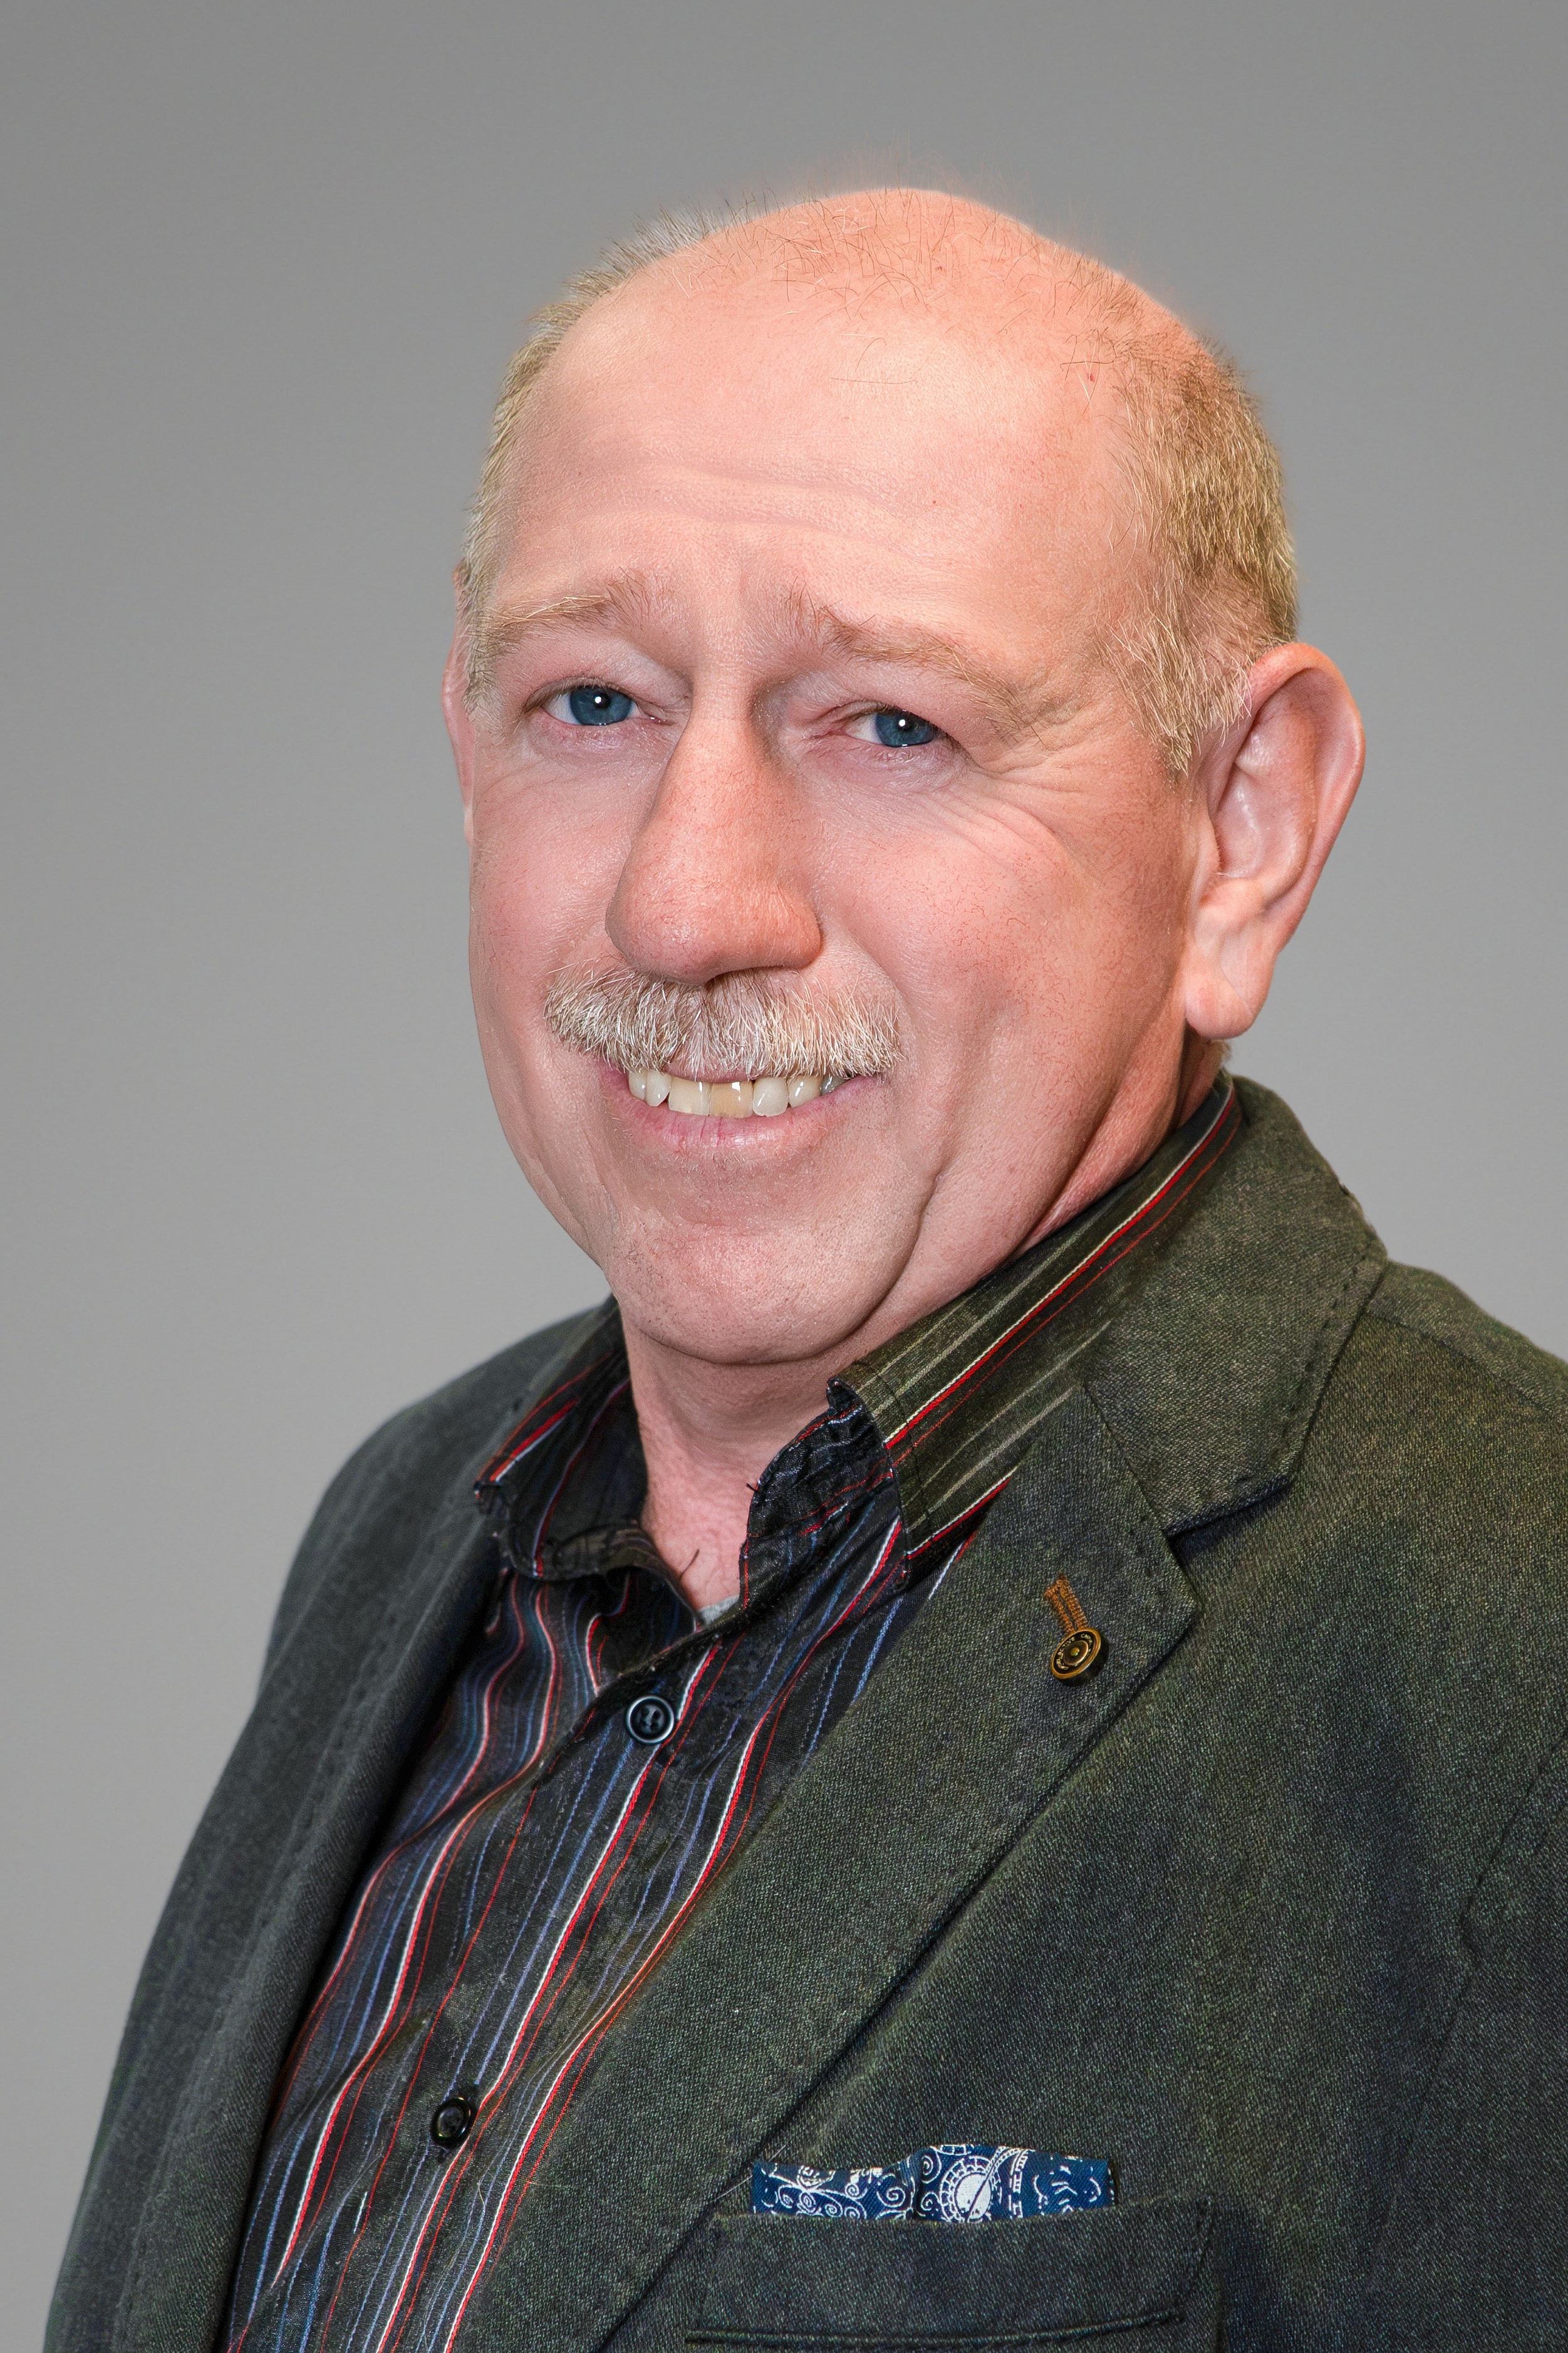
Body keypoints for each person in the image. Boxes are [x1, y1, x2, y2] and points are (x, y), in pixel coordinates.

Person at [48, 190, 1568, 2353]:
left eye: (891, 727)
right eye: (593, 699)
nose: (688, 901)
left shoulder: (1517, 1649)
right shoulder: (400, 1531)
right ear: (463, 742)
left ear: (1241, 829)